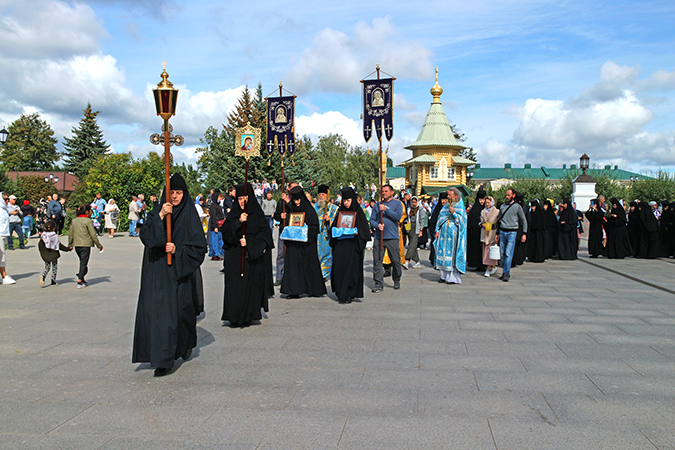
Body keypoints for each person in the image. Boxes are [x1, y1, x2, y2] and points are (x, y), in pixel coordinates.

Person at [132, 173, 206, 377]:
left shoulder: (189, 215)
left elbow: (199, 247)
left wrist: (178, 250)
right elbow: (147, 237)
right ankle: (163, 358)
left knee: (181, 314)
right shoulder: (158, 212)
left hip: (179, 273)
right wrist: (161, 216)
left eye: (179, 192)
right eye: (171, 192)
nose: (174, 196)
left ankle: (184, 345)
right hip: (157, 272)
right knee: (161, 316)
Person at [221, 183, 274, 326]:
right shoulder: (234, 215)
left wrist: (249, 242)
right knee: (235, 288)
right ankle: (234, 316)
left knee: (250, 287)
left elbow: (265, 237)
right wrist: (238, 222)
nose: (242, 201)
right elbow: (225, 233)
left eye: (245, 198)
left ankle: (249, 315)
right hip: (235, 258)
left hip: (251, 259)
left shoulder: (257, 215)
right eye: (239, 199)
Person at [280, 186, 326, 298]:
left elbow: (315, 228)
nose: (296, 202)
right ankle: (294, 290)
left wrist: (304, 231)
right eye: (294, 200)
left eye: (298, 200)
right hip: (294, 245)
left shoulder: (310, 211)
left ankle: (313, 289)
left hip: (307, 245)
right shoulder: (292, 211)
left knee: (309, 266)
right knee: (293, 267)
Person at [329, 187, 371, 303]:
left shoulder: (358, 212)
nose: (346, 203)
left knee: (351, 270)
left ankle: (349, 293)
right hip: (340, 247)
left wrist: (357, 232)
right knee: (339, 269)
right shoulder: (340, 212)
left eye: (348, 201)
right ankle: (340, 292)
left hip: (352, 247)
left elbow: (364, 231)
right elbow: (333, 228)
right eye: (344, 201)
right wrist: (337, 231)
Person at [370, 184, 403, 292]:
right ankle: (378, 283)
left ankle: (397, 279)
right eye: (382, 191)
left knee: (395, 260)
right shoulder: (377, 205)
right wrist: (377, 226)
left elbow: (397, 217)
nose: (384, 193)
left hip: (392, 237)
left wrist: (386, 210)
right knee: (377, 260)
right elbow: (372, 220)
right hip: (379, 237)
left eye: (386, 191)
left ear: (392, 192)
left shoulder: (397, 204)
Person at [434, 188, 467, 284]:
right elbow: (440, 217)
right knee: (441, 253)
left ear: (455, 196)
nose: (447, 196)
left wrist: (454, 213)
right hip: (443, 234)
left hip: (453, 235)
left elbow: (462, 222)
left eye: (449, 195)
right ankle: (443, 275)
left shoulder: (460, 207)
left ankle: (452, 277)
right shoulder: (446, 206)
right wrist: (437, 230)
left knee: (451, 255)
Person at [495, 188, 528, 282]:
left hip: (512, 232)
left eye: (509, 195)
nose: (507, 197)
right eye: (506, 195)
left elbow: (523, 220)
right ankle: (504, 270)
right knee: (502, 254)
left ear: (513, 195)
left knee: (508, 253)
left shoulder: (517, 207)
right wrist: (497, 233)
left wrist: (524, 233)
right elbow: (499, 220)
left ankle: (506, 273)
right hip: (502, 231)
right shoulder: (502, 207)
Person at [68, 204, 103, 288]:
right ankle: (80, 280)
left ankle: (82, 277)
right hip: (85, 244)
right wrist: (99, 245)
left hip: (77, 244)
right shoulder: (88, 221)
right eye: (90, 211)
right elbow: (93, 234)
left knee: (82, 262)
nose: (91, 212)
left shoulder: (74, 221)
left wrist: (70, 244)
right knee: (83, 262)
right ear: (87, 212)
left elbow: (71, 234)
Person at [273, 183, 297, 285]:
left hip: (294, 231)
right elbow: (276, 215)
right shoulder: (281, 201)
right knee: (281, 254)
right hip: (283, 230)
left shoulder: (297, 200)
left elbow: (297, 211)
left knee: (293, 255)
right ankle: (279, 276)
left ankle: (292, 277)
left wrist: (288, 202)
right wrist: (280, 216)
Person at [314, 185, 339, 280]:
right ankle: (316, 273)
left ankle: (324, 275)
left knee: (326, 255)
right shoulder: (314, 207)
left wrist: (330, 219)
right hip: (316, 236)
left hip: (326, 235)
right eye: (320, 194)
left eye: (323, 194)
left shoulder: (333, 208)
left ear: (327, 196)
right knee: (315, 254)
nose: (321, 196)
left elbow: (337, 221)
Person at [38, 220, 71, 287]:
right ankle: (53, 281)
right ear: (54, 228)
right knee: (54, 268)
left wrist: (42, 253)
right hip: (53, 255)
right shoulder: (54, 236)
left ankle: (43, 276)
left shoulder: (43, 236)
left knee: (47, 267)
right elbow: (59, 245)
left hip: (45, 255)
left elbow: (40, 246)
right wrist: (68, 249)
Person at [466, 189, 486, 271]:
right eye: (480, 199)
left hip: (483, 233)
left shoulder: (485, 209)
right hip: (474, 233)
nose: (482, 201)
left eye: (483, 199)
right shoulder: (474, 209)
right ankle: (476, 263)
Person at [479, 196, 499, 276]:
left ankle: (488, 268)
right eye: (486, 202)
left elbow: (498, 222)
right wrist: (482, 224)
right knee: (486, 251)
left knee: (490, 250)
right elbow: (480, 220)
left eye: (488, 202)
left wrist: (493, 226)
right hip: (485, 233)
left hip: (492, 233)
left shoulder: (496, 211)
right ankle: (493, 266)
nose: (487, 204)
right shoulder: (483, 211)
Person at [0, 193, 16, 284]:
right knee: (1, 257)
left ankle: (4, 276)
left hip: (3, 234)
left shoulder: (4, 209)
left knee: (2, 256)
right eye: (6, 199)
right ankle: (4, 276)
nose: (7, 201)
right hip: (0, 234)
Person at [428, 192, 448, 267]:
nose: (444, 201)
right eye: (442, 199)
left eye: (445, 199)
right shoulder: (437, 209)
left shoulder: (448, 209)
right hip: (436, 232)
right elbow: (433, 221)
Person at [404, 196, 423, 269]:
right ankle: (417, 261)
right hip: (410, 226)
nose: (414, 204)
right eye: (413, 202)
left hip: (417, 227)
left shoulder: (420, 209)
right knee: (413, 245)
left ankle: (407, 260)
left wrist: (421, 230)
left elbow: (422, 219)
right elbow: (407, 217)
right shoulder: (409, 208)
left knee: (412, 244)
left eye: (415, 202)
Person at [208, 191, 224, 261]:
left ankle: (219, 254)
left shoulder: (218, 205)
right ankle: (216, 254)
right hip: (215, 226)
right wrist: (215, 226)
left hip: (220, 226)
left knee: (219, 241)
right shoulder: (213, 206)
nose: (220, 198)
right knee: (215, 241)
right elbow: (213, 216)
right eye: (219, 197)